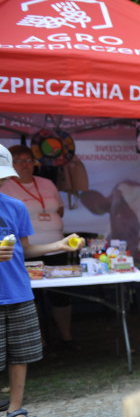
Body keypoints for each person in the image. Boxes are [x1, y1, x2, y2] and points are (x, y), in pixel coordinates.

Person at [1, 145, 82, 417]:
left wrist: (58, 245)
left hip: (18, 289)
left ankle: (16, 408)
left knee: (20, 354)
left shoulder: (15, 207)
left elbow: (26, 248)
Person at [1, 145, 75, 350]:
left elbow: (59, 209)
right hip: (20, 253)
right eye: (18, 161)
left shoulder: (46, 183)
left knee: (60, 294)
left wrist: (59, 241)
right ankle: (37, 340)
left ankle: (65, 338)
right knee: (31, 297)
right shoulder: (7, 189)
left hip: (55, 247)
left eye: (28, 160)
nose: (24, 165)